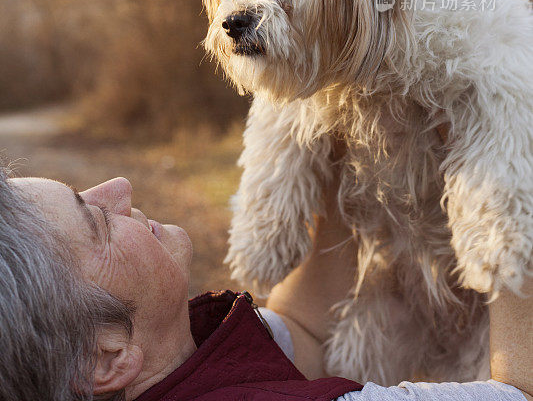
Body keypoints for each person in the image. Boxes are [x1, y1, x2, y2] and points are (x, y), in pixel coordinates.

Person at [0, 162, 531, 401]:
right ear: (107, 357)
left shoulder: (186, 357)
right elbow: (518, 394)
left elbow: (308, 331)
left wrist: (348, 139)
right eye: (95, 220)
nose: (118, 187)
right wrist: (503, 175)